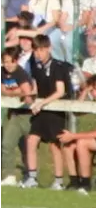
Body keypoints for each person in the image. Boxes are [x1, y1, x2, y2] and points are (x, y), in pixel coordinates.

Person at [22, 35, 72, 189]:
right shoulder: (35, 66)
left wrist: (43, 102)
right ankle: (32, 178)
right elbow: (36, 88)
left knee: (54, 145)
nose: (39, 54)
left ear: (49, 49)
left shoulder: (57, 66)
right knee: (31, 140)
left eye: (42, 50)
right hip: (41, 109)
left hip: (55, 110)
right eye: (36, 50)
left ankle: (58, 180)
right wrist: (30, 97)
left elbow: (60, 91)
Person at [1, 46, 35, 186]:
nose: (8, 65)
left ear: (17, 61)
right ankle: (9, 176)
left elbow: (27, 93)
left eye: (11, 61)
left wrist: (10, 92)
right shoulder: (2, 72)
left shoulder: (21, 74)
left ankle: (30, 176)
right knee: (7, 144)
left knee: (27, 148)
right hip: (14, 114)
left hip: (27, 115)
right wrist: (15, 92)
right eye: (5, 62)